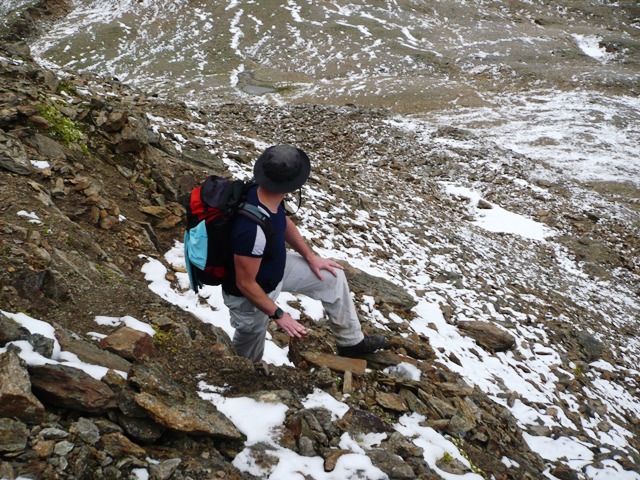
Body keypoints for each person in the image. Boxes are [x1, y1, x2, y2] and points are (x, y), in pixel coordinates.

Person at [221, 144, 387, 364]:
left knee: (332, 278)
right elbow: (245, 283)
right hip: (251, 295)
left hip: (274, 271)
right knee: (249, 346)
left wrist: (310, 256)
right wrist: (280, 315)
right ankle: (245, 376)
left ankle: (351, 343)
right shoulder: (251, 230)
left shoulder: (261, 192)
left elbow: (283, 221)